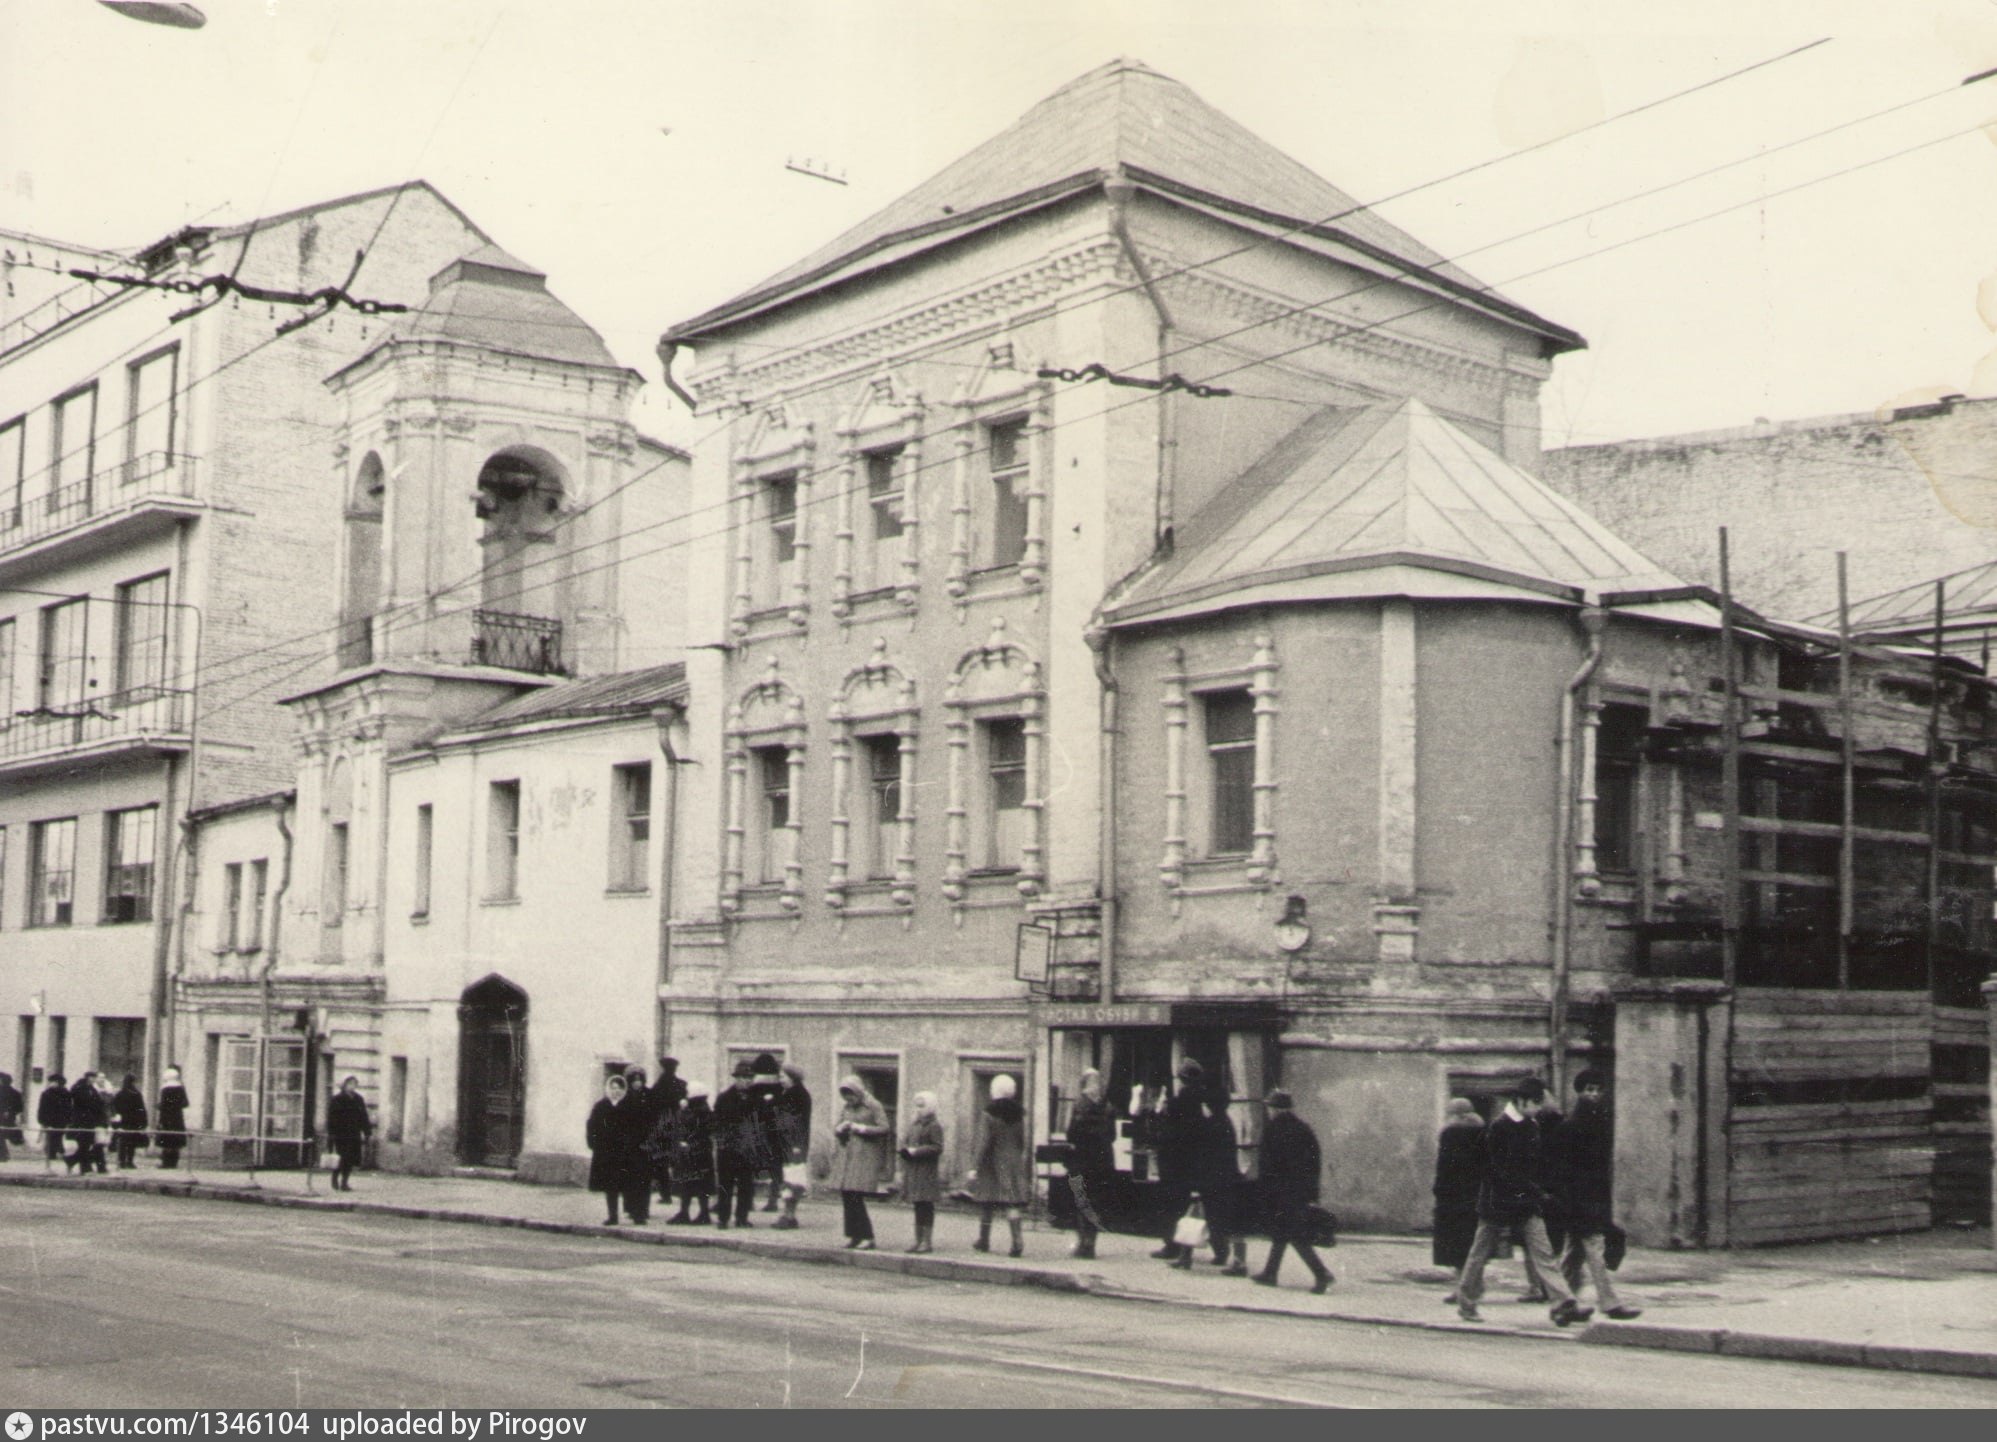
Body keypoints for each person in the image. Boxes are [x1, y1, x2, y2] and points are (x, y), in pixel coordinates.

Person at [1452, 1077, 1591, 1327]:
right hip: (1498, 1202)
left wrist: (1539, 1191)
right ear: (1521, 1101)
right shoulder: (1499, 1127)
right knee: (1479, 1255)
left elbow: (1534, 1166)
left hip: (1526, 1202)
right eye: (1536, 1103)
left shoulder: (1531, 1125)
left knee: (1544, 1253)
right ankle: (1466, 1302)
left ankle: (1563, 1304)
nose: (1538, 1108)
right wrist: (1533, 1191)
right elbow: (1497, 1170)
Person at [1553, 1069, 1642, 1320]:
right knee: (1594, 1251)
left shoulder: (1600, 1122)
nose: (1593, 1094)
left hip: (1592, 1198)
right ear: (1580, 1092)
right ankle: (1610, 1303)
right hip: (1578, 1200)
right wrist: (1571, 1200)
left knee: (1574, 1256)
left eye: (1597, 1090)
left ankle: (1562, 1306)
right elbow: (1564, 1169)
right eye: (1588, 1090)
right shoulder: (1570, 1126)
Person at [1252, 1089, 1333, 1293]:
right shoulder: (1303, 1129)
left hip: (1280, 1191)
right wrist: (1312, 1193)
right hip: (1299, 1191)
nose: (1268, 1111)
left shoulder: (1274, 1129)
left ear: (1276, 1109)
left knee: (1294, 1235)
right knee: (1281, 1233)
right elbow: (1314, 1163)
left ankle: (1321, 1274)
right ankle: (1270, 1272)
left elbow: (1268, 1165)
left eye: (1270, 1107)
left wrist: (1264, 1191)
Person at [1180, 1087, 1246, 1273]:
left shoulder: (1209, 1125)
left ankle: (1186, 1258)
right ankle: (1222, 1254)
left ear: (1210, 1105)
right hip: (1225, 1179)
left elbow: (1202, 1156)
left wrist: (1196, 1183)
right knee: (1221, 1220)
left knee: (1196, 1216)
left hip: (1209, 1181)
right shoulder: (1227, 1123)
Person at [1150, 1058, 1207, 1259]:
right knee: (1184, 1205)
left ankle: (1171, 1245)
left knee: (1170, 1205)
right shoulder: (1201, 1100)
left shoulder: (1180, 1100)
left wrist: (1160, 1109)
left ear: (1183, 1078)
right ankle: (1182, 1248)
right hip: (1190, 1162)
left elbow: (1166, 1129)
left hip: (1173, 1163)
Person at [969, 1073, 1030, 1258]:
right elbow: (1021, 1141)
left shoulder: (988, 1113)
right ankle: (1017, 1241)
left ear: (994, 1091)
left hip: (991, 1162)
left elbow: (983, 1142)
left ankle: (984, 1240)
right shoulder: (1019, 1115)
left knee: (987, 1201)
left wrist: (974, 1166)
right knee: (1012, 1202)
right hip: (1012, 1162)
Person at [830, 1074, 894, 1250]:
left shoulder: (873, 1105)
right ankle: (853, 1235)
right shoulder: (847, 1107)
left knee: (856, 1196)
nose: (848, 1099)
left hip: (865, 1156)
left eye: (850, 1094)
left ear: (858, 1091)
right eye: (845, 1095)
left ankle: (867, 1236)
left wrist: (862, 1128)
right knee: (847, 1196)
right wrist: (840, 1128)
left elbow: (885, 1128)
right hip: (848, 1156)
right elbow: (837, 1126)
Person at [1433, 1097, 1485, 1302]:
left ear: (1454, 1114)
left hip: (1452, 1197)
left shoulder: (1450, 1133)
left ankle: (1462, 1289)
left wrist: (1439, 1190)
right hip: (1475, 1197)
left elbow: (1444, 1167)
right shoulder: (1483, 1131)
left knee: (1455, 1248)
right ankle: (1475, 1285)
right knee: (1474, 1245)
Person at [712, 1059, 772, 1228]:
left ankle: (742, 1217)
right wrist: (722, 1141)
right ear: (736, 1078)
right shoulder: (724, 1098)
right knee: (725, 1184)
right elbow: (716, 1122)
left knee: (746, 1184)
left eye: (749, 1078)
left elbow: (762, 1122)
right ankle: (723, 1218)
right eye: (742, 1077)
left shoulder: (757, 1099)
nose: (746, 1081)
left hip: (748, 1148)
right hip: (728, 1148)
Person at [1063, 1068, 1115, 1260]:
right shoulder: (1108, 1106)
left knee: (1081, 1199)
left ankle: (1082, 1243)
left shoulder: (1079, 1105)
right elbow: (1112, 1136)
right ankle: (1091, 1244)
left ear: (1083, 1084)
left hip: (1082, 1159)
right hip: (1102, 1161)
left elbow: (1071, 1133)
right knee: (1097, 1201)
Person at [586, 1073, 648, 1225]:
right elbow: (592, 1127)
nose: (616, 1091)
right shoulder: (600, 1106)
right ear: (608, 1089)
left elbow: (639, 1128)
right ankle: (612, 1216)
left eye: (619, 1088)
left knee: (631, 1184)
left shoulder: (631, 1105)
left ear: (624, 1089)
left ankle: (637, 1215)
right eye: (613, 1088)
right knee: (610, 1186)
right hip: (607, 1153)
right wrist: (594, 1144)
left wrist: (634, 1144)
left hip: (627, 1153)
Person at [898, 1091, 944, 1254]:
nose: (918, 1109)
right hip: (914, 1170)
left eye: (922, 1106)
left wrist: (916, 1151)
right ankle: (917, 1240)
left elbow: (937, 1147)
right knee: (917, 1205)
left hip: (926, 1170)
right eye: (917, 1106)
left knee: (926, 1205)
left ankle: (927, 1241)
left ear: (931, 1107)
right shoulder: (914, 1124)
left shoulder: (934, 1125)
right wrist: (903, 1149)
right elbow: (906, 1139)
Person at [664, 1080, 715, 1224]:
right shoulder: (700, 1110)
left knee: (695, 1184)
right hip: (695, 1153)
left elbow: (700, 1130)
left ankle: (698, 1214)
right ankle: (691, 1213)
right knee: (691, 1184)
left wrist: (689, 1144)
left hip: (696, 1153)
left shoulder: (700, 1111)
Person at [772, 1061, 813, 1229]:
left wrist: (796, 1145)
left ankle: (789, 1216)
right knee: (788, 1179)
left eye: (782, 1076)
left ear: (792, 1077)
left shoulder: (797, 1095)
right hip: (788, 1143)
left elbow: (795, 1122)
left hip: (793, 1144)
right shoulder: (790, 1093)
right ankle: (788, 1215)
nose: (780, 1080)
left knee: (792, 1179)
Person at [326, 1075, 373, 1191]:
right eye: (350, 1084)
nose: (352, 1086)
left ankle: (344, 1182)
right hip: (340, 1134)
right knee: (342, 1157)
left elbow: (363, 1116)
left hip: (354, 1133)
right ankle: (335, 1177)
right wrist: (331, 1134)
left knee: (351, 1159)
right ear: (344, 1085)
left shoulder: (358, 1099)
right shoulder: (337, 1099)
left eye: (354, 1084)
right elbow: (332, 1118)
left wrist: (367, 1132)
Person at [70, 1071, 109, 1175]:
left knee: (87, 1146)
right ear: (87, 1078)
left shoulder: (92, 1089)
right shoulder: (80, 1088)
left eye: (94, 1078)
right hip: (81, 1122)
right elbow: (81, 1103)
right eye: (92, 1077)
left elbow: (98, 1104)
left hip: (91, 1122)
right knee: (84, 1145)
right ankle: (85, 1168)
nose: (93, 1080)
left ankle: (72, 1161)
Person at [111, 1074, 150, 1170]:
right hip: (134, 1122)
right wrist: (143, 1122)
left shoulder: (119, 1094)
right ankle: (130, 1161)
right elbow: (141, 1109)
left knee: (122, 1142)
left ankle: (121, 1162)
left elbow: (114, 1108)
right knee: (132, 1143)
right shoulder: (136, 1094)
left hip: (123, 1121)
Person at [156, 1065, 190, 1170]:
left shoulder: (165, 1089)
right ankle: (174, 1163)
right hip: (177, 1118)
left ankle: (166, 1163)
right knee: (176, 1140)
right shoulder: (180, 1088)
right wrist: (176, 1105)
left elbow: (163, 1105)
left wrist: (160, 1107)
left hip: (166, 1118)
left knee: (166, 1140)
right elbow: (186, 1103)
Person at [0, 1071, 24, 1163]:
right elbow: (20, 1108)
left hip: (4, 1119)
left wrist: (8, 1111)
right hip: (9, 1119)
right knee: (2, 1136)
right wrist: (12, 1113)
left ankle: (3, 1155)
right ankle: (4, 1154)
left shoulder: (6, 1093)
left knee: (1, 1136)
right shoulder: (16, 1093)